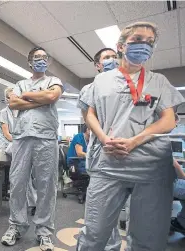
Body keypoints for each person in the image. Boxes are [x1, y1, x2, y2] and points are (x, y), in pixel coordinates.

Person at [76, 21, 185, 251]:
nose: (143, 45)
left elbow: (169, 120)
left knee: (148, 239)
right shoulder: (101, 81)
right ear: (121, 46)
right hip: (109, 165)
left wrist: (136, 140)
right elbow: (89, 113)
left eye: (149, 42)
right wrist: (105, 139)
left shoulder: (159, 82)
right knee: (94, 235)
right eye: (137, 39)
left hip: (151, 168)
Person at [1, 47, 63, 251]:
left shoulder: (53, 81)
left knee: (46, 186)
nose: (41, 60)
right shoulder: (20, 83)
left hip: (46, 137)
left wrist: (27, 96)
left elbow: (52, 97)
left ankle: (44, 231)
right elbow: (13, 104)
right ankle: (17, 226)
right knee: (17, 183)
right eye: (37, 57)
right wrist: (39, 99)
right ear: (29, 61)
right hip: (22, 137)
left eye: (45, 57)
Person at [77, 47, 124, 251]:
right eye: (107, 57)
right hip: (102, 158)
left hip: (126, 158)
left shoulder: (127, 85)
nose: (112, 60)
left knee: (115, 217)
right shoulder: (90, 88)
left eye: (115, 57)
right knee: (97, 220)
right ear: (97, 65)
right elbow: (88, 117)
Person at [0, 87, 37, 216]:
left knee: (26, 171)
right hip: (8, 144)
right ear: (7, 99)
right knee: (23, 168)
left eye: (16, 96)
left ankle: (31, 202)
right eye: (11, 97)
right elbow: (7, 134)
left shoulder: (21, 112)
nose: (14, 99)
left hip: (19, 144)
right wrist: (20, 141)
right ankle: (31, 202)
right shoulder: (4, 112)